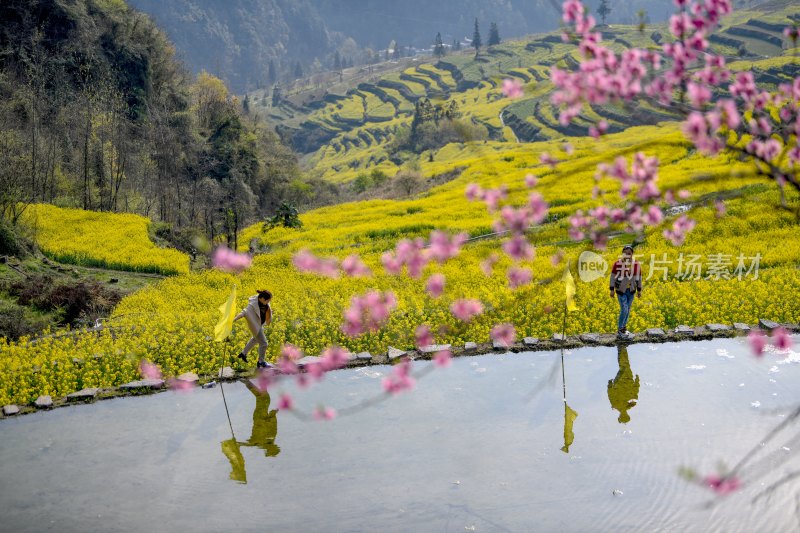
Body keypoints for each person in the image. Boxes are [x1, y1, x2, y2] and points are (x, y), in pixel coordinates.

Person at [234, 289, 273, 368]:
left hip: (260, 324)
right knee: (264, 343)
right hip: (255, 326)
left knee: (255, 339)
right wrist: (234, 319)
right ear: (262, 299)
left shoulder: (264, 302)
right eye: (267, 301)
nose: (268, 303)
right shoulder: (252, 305)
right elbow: (244, 312)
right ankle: (261, 362)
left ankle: (243, 353)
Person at [609, 245, 642, 340]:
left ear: (632, 254)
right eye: (625, 253)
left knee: (628, 310)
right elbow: (612, 277)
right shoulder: (617, 264)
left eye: (629, 253)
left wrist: (639, 290)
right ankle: (620, 329)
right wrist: (611, 289)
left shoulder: (636, 264)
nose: (627, 255)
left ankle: (623, 328)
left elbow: (639, 278)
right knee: (624, 309)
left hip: (631, 290)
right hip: (621, 290)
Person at [607, 344, 640, 424]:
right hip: (628, 380)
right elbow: (635, 391)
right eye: (625, 416)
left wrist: (610, 385)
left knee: (624, 366)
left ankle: (621, 348)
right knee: (625, 365)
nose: (624, 414)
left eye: (623, 416)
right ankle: (622, 348)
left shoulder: (617, 405)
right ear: (627, 415)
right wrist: (637, 381)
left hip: (619, 382)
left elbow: (610, 394)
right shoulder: (632, 403)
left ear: (620, 416)